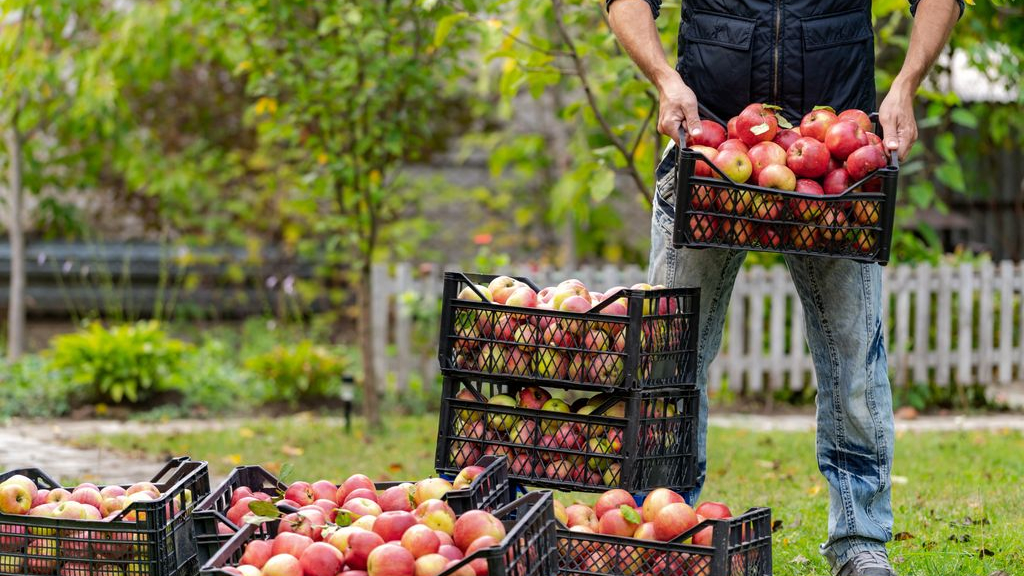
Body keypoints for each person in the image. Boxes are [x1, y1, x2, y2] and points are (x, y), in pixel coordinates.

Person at [605, 0, 963, 574]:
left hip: (839, 164)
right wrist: (664, 78)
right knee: (669, 354)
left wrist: (905, 86)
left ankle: (860, 541)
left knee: (854, 359)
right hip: (710, 151)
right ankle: (660, 529)